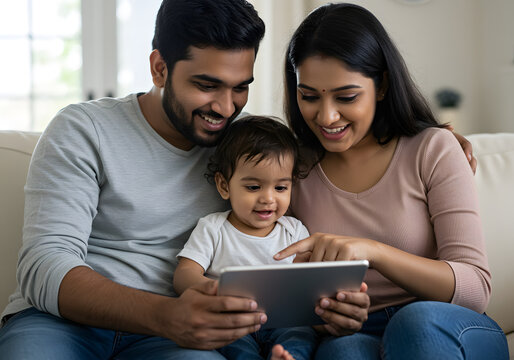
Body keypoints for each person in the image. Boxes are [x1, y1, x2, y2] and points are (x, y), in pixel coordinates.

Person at [0, 0, 478, 359]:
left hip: (179, 337)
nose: (225, 108)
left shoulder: (253, 153)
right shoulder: (83, 129)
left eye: (241, 87)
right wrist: (166, 315)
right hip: (65, 323)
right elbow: (43, 265)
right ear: (159, 67)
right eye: (207, 85)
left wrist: (438, 140)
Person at [273, 3, 509, 359]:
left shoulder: (432, 149)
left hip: (447, 324)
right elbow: (288, 283)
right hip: (358, 330)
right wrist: (325, 318)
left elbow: (475, 289)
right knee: (344, 352)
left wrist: (373, 252)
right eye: (309, 96)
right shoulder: (292, 168)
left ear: (381, 85)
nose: (326, 116)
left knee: (414, 323)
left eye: (346, 96)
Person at [174, 115, 318, 360]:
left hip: (283, 320)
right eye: (253, 187)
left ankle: (286, 356)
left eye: (280, 188)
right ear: (224, 185)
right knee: (234, 346)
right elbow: (183, 274)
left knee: (300, 335)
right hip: (232, 321)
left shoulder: (293, 230)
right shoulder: (213, 228)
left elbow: (307, 278)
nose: (268, 198)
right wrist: (211, 289)